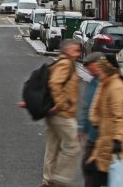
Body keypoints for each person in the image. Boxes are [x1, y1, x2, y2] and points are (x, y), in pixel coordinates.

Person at [85, 56, 123, 186]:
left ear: (107, 70)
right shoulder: (105, 84)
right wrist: (94, 121)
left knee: (109, 179)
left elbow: (120, 117)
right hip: (104, 143)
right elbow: (96, 106)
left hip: (114, 147)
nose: (98, 72)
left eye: (100, 70)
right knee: (94, 174)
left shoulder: (116, 88)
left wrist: (117, 140)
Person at [42, 39, 81, 187]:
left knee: (52, 149)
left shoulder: (60, 62)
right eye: (76, 50)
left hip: (53, 114)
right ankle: (60, 179)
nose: (78, 54)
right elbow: (55, 83)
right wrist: (61, 104)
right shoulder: (65, 63)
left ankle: (47, 181)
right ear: (68, 50)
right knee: (74, 146)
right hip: (62, 114)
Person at [79, 52, 105, 187]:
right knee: (89, 167)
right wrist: (82, 127)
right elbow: (86, 106)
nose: (88, 69)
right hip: (93, 137)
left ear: (98, 64)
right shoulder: (92, 82)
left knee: (96, 170)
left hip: (106, 138)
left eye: (90, 66)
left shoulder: (108, 83)